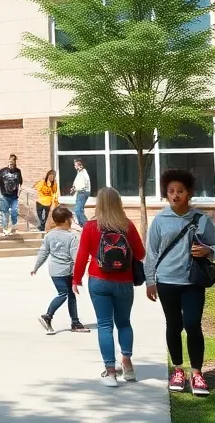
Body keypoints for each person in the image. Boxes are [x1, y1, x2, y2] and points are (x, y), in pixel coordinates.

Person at [145, 169, 215, 397]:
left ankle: (197, 373)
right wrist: (151, 280)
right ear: (166, 194)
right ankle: (178, 370)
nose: (175, 195)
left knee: (192, 325)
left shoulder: (201, 219)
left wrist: (208, 250)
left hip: (192, 282)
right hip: (166, 281)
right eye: (171, 191)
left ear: (189, 193)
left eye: (180, 191)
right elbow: (151, 253)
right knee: (173, 325)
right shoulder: (160, 220)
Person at [73, 187, 146, 388]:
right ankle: (128, 364)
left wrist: (76, 279)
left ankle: (111, 371)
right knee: (124, 323)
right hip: (124, 281)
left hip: (99, 279)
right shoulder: (127, 226)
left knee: (105, 325)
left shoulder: (91, 226)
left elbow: (82, 255)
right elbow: (140, 254)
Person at [31, 205, 89, 334]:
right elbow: (75, 257)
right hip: (66, 271)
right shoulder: (71, 237)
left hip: (54, 271)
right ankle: (47, 316)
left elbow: (43, 252)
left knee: (71, 296)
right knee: (64, 294)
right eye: (70, 219)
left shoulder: (49, 235)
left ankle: (75, 322)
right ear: (66, 220)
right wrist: (80, 270)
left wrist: (36, 267)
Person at [0, 154, 24, 236]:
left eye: (13, 162)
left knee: (14, 211)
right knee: (5, 213)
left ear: (15, 162)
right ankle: (5, 228)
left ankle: (13, 225)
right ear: (8, 161)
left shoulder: (18, 171)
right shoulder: (2, 171)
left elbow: (20, 183)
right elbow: (0, 183)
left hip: (14, 197)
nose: (11, 164)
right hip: (4, 195)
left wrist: (19, 193)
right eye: (10, 162)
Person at [69, 159, 91, 228]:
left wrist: (75, 188)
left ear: (80, 165)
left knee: (78, 210)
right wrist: (74, 187)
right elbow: (77, 182)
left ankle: (86, 226)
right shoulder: (79, 173)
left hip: (82, 192)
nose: (75, 167)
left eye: (76, 165)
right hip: (81, 192)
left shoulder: (83, 172)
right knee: (78, 210)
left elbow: (83, 183)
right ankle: (83, 225)